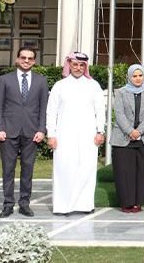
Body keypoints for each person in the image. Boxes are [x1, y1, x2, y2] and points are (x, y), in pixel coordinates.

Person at [47, 52, 106, 215]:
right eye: (75, 65)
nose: (78, 68)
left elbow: (100, 111)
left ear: (85, 67)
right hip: (64, 135)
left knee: (86, 168)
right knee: (63, 168)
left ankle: (85, 205)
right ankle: (62, 206)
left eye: (81, 65)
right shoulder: (60, 86)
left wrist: (100, 131)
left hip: (88, 135)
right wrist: (50, 134)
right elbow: (51, 112)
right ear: (69, 66)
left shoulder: (93, 86)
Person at [0, 47, 49, 218]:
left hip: (31, 132)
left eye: (30, 58)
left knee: (28, 169)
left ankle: (24, 203)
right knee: (8, 169)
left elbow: (43, 109)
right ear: (17, 59)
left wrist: (42, 129)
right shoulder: (5, 80)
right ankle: (8, 204)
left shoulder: (41, 81)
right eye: (23, 57)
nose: (26, 61)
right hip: (8, 132)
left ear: (34, 61)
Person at [111, 64, 144, 213]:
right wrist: (130, 131)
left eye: (140, 75)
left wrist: (139, 132)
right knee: (124, 172)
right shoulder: (121, 93)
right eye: (134, 76)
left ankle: (138, 202)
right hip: (123, 138)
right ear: (129, 77)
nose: (138, 78)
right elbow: (119, 113)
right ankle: (126, 202)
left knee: (142, 172)